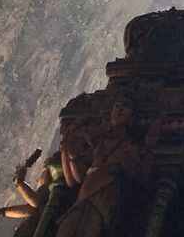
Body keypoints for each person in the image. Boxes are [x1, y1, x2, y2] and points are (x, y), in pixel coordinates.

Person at [57, 94, 156, 237]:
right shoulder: (97, 146)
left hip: (103, 208)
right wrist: (69, 156)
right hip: (80, 205)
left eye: (126, 106)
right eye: (117, 106)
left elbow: (142, 179)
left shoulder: (131, 147)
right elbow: (75, 181)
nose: (120, 108)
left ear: (132, 117)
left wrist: (148, 149)